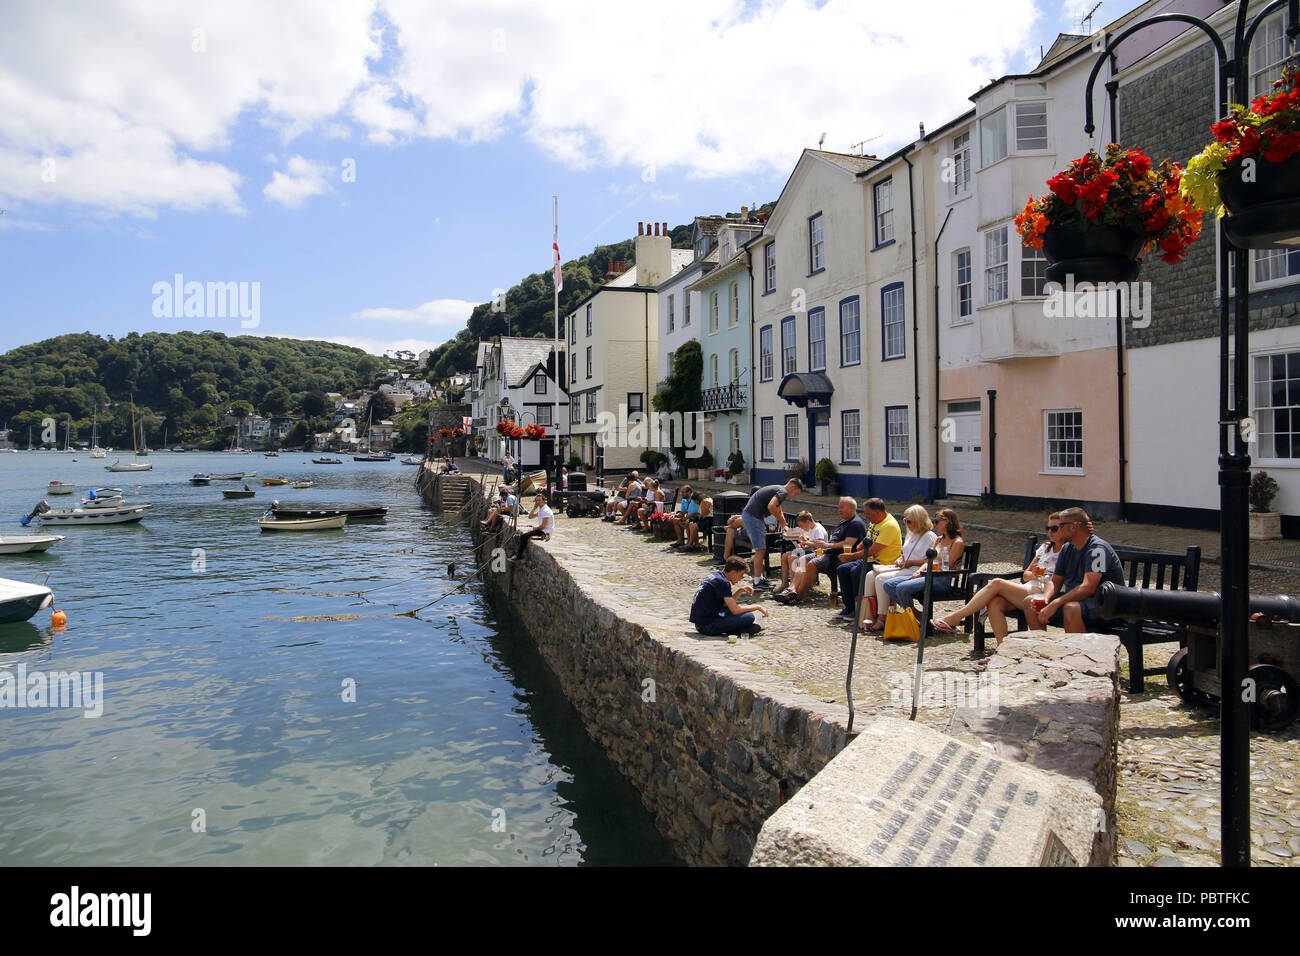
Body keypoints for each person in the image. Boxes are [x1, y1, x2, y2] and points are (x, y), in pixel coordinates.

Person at [932, 513, 1066, 643]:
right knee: (995, 603)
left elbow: (1058, 580)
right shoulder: (1045, 548)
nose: (1050, 532)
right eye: (1048, 528)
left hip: (1045, 592)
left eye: (1054, 529)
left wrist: (1039, 576)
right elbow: (1026, 575)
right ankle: (1001, 648)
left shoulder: (1067, 551)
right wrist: (1035, 573)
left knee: (997, 583)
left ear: (1064, 529)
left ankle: (956, 617)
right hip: (1030, 587)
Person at [1029, 507, 1123, 632]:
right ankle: (1040, 648)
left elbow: (1088, 587)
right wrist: (1046, 598)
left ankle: (1077, 650)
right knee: (1031, 603)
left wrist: (1056, 603)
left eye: (1061, 525)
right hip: (1079, 602)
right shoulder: (1067, 548)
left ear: (1073, 527)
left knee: (1071, 608)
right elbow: (1055, 581)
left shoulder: (1097, 549)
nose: (1058, 529)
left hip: (1105, 605)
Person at [848, 505, 935, 623]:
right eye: (905, 520)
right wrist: (901, 558)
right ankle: (868, 615)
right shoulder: (911, 533)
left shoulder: (929, 536)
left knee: (881, 579)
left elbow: (931, 561)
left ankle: (882, 617)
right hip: (905, 566)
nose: (906, 524)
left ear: (919, 521)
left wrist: (911, 562)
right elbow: (906, 552)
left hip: (917, 570)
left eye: (909, 521)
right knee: (870, 575)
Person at [774, 497, 867, 605]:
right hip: (826, 551)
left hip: (836, 555)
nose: (839, 510)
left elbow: (848, 543)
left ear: (851, 508)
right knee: (801, 558)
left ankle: (798, 594)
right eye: (839, 507)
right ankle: (791, 589)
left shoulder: (855, 523)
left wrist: (827, 545)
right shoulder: (844, 522)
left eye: (842, 507)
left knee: (809, 562)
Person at [882, 508, 966, 624]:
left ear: (947, 521)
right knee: (889, 584)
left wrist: (927, 570)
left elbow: (948, 565)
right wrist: (918, 572)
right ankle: (917, 615)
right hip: (928, 575)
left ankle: (913, 618)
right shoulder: (939, 540)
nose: (935, 524)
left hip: (942, 579)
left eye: (937, 521)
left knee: (902, 588)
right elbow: (928, 561)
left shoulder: (957, 542)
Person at [837, 498, 903, 623]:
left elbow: (872, 550)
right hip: (871, 559)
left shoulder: (889, 525)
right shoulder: (875, 521)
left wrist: (851, 556)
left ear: (878, 513)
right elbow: (869, 537)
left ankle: (860, 609)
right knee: (842, 569)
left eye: (868, 514)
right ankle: (849, 606)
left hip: (883, 562)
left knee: (856, 572)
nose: (866, 517)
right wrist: (860, 545)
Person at [739, 478, 803, 589]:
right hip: (753, 517)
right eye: (796, 493)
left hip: (751, 515)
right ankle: (757, 582)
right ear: (793, 487)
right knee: (760, 550)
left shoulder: (778, 488)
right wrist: (782, 522)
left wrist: (783, 524)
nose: (794, 496)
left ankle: (760, 578)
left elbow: (779, 509)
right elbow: (771, 507)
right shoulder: (783, 492)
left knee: (760, 549)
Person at [689, 557, 769, 637]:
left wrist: (740, 591)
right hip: (707, 626)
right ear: (734, 572)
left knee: (743, 614)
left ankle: (738, 629)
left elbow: (725, 604)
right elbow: (735, 610)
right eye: (741, 574)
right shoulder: (723, 582)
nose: (741, 578)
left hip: (704, 622)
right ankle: (734, 631)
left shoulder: (717, 577)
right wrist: (757, 607)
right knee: (749, 616)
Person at [775, 511, 828, 593]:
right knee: (785, 556)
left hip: (817, 552)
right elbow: (811, 542)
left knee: (792, 557)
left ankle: (793, 586)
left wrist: (806, 542)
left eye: (802, 526)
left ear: (807, 522)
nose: (802, 528)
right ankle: (784, 583)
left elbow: (819, 545)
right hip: (810, 550)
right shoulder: (811, 528)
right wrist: (805, 540)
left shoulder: (818, 529)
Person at [514, 492, 555, 560]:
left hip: (545, 532)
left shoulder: (546, 511)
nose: (538, 502)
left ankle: (519, 556)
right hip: (542, 530)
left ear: (544, 501)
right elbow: (530, 517)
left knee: (524, 536)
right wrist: (534, 508)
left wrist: (534, 528)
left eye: (539, 500)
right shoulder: (542, 509)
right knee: (523, 535)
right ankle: (518, 554)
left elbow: (543, 526)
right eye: (537, 500)